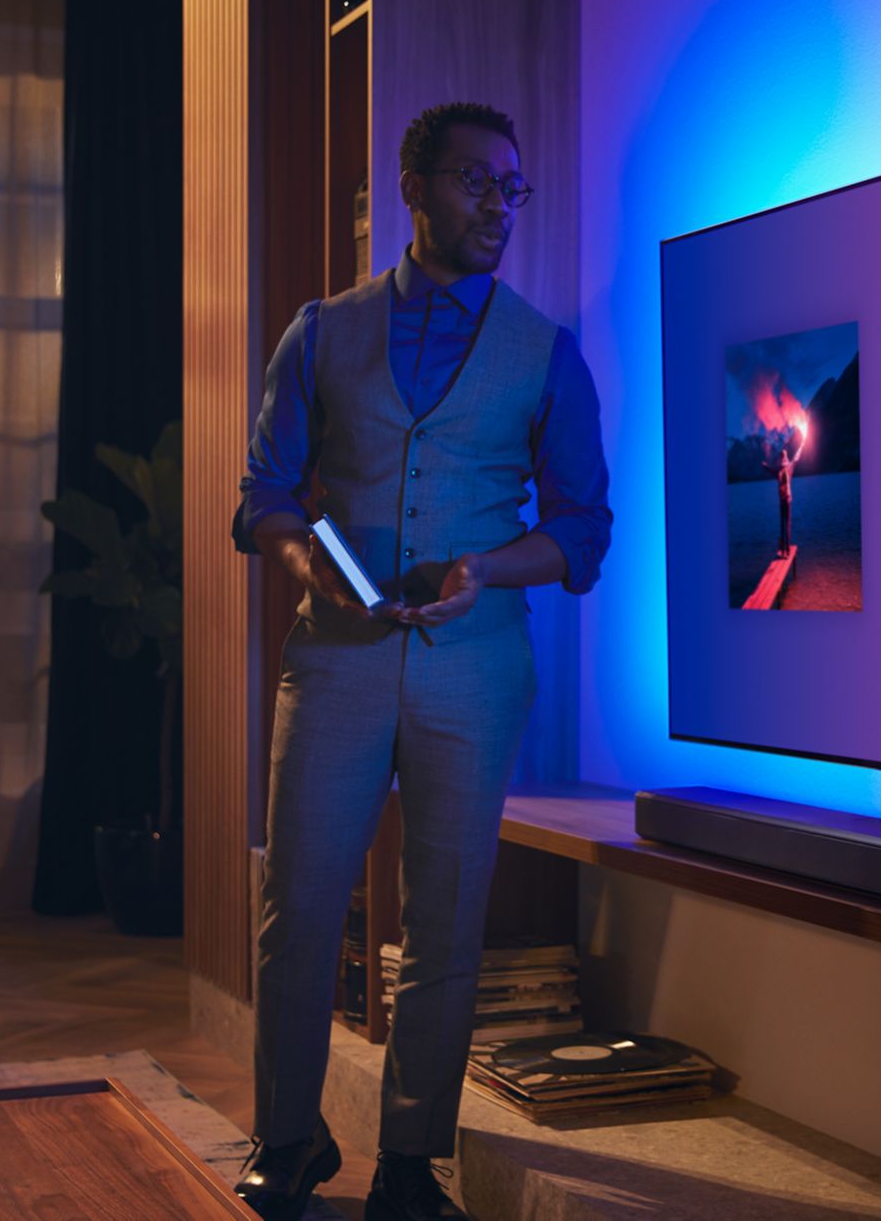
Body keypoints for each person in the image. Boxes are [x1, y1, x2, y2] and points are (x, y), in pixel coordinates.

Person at [229, 102, 612, 1221]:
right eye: (473, 182)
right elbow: (263, 495)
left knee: (445, 914)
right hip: (337, 660)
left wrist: (487, 569)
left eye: (511, 187)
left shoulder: (545, 351)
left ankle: (412, 1161)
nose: (496, 207)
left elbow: (583, 530)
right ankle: (288, 1139)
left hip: (475, 667)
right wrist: (309, 564)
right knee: (296, 905)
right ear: (412, 184)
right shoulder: (320, 330)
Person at [770, 421, 805, 557]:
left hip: (786, 500)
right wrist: (766, 466)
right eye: (782, 455)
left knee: (785, 525)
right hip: (784, 500)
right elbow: (772, 470)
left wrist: (802, 444)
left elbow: (797, 456)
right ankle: (785, 549)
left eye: (782, 455)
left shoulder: (787, 468)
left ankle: (786, 550)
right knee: (784, 524)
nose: (782, 456)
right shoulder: (784, 468)